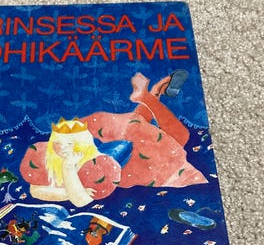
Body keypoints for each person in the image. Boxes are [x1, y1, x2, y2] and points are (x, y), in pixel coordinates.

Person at [20, 72, 207, 207]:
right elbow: (44, 192)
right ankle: (150, 96)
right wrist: (69, 178)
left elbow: (46, 191)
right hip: (136, 161)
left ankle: (149, 96)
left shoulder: (76, 157)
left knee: (143, 130)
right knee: (164, 135)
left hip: (104, 138)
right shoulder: (89, 168)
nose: (61, 148)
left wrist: (69, 180)